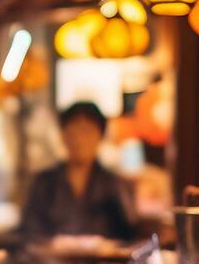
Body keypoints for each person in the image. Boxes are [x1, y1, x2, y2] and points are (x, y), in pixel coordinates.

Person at [20, 102, 137, 241]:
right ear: (63, 135)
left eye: (86, 131)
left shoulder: (115, 184)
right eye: (73, 131)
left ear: (100, 136)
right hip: (51, 261)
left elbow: (128, 236)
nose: (79, 139)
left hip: (103, 262)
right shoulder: (44, 182)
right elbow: (29, 232)